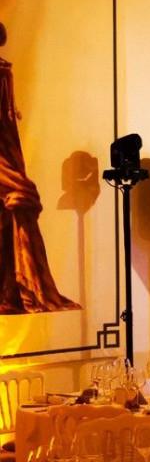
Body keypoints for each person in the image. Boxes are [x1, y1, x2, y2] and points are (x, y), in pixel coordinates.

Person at [0, 22, 79, 313]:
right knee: (17, 199)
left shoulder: (4, 72)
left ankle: (13, 290)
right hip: (6, 150)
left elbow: (7, 121)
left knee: (16, 203)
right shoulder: (4, 71)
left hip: (4, 150)